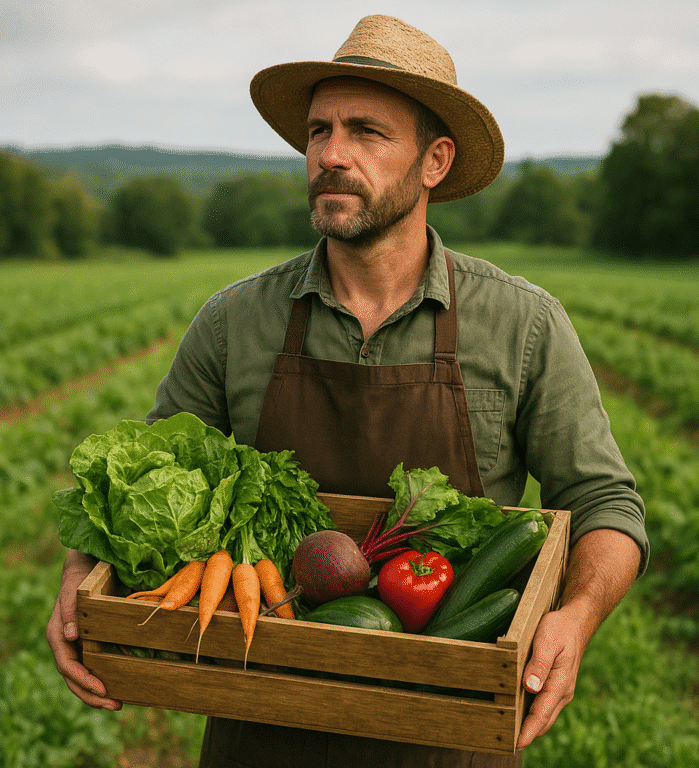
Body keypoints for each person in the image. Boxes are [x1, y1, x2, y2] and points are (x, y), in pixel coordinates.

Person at [47, 14, 648, 768]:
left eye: (366, 131)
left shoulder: (522, 325)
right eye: (318, 131)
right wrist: (81, 579)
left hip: (448, 731)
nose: (330, 155)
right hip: (259, 716)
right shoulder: (236, 321)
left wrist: (578, 616)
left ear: (434, 161)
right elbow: (131, 482)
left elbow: (606, 504)